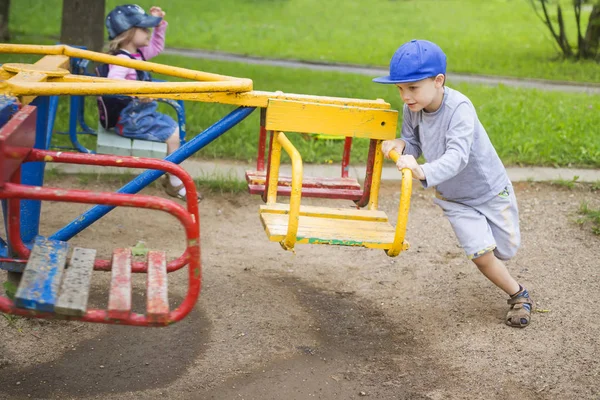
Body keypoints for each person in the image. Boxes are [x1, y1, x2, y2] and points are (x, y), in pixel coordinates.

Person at [374, 40, 533, 328]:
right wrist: (402, 144)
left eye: (412, 88)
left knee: (505, 250)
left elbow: (457, 157)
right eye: (399, 89)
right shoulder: (413, 109)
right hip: (453, 197)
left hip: (488, 191)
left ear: (438, 81)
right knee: (482, 256)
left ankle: (500, 251)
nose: (405, 97)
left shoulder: (459, 108)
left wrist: (420, 170)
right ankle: (518, 294)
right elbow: (413, 144)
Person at [104, 4, 201, 201]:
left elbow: (156, 47)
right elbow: (112, 84)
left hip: (143, 114)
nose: (148, 33)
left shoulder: (137, 54)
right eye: (144, 29)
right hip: (130, 119)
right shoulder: (122, 60)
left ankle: (172, 175)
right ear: (128, 33)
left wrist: (159, 25)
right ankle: (175, 182)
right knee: (174, 136)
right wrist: (135, 93)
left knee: (176, 132)